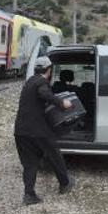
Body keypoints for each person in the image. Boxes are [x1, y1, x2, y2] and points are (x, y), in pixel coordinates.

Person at [14, 56, 74, 206]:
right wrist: (62, 103)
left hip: (21, 130)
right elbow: (44, 94)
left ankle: (29, 194)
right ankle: (65, 184)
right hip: (37, 130)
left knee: (30, 162)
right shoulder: (41, 82)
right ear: (48, 70)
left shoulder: (29, 81)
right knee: (54, 154)